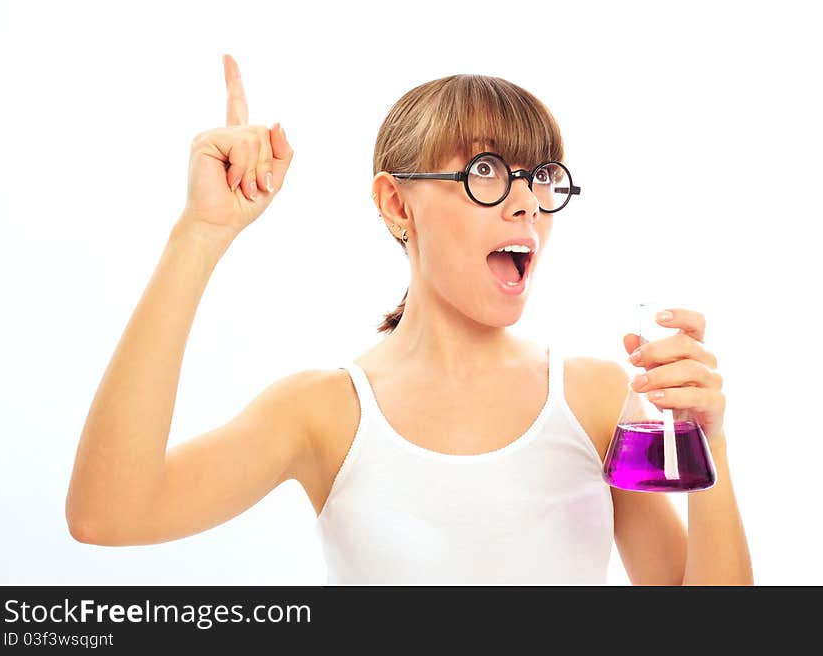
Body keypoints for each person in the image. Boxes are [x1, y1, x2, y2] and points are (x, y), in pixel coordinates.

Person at [65, 54, 752, 585]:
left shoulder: (599, 400)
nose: (526, 204)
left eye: (541, 176)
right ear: (396, 204)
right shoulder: (322, 413)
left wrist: (710, 446)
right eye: (486, 170)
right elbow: (107, 515)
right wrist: (200, 233)